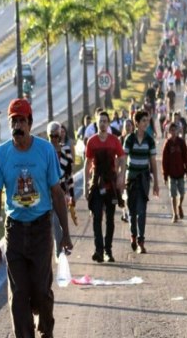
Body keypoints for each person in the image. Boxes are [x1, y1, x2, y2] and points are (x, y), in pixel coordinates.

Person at [0, 99, 73, 338]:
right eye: (13, 121)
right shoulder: (1, 154)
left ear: (30, 123)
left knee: (41, 293)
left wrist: (65, 233)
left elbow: (57, 193)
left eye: (21, 120)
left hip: (40, 230)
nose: (17, 125)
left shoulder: (45, 151)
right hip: (14, 231)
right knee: (18, 295)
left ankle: (46, 331)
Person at [84, 111, 127, 263]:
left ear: (108, 124)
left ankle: (108, 250)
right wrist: (85, 186)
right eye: (100, 121)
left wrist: (121, 176)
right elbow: (87, 163)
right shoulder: (92, 141)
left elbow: (122, 158)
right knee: (96, 218)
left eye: (105, 121)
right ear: (97, 123)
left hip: (111, 185)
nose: (102, 124)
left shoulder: (114, 140)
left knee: (110, 218)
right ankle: (99, 250)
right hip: (96, 184)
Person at [123, 110, 160, 254]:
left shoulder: (149, 140)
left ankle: (141, 241)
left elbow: (153, 163)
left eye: (147, 120)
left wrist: (156, 182)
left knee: (142, 211)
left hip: (144, 179)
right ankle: (133, 235)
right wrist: (120, 178)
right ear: (136, 123)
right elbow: (123, 159)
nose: (146, 123)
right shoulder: (129, 139)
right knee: (132, 211)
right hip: (131, 179)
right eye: (143, 120)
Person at [47, 122, 77, 260]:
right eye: (51, 135)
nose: (53, 138)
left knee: (61, 220)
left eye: (56, 135)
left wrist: (71, 195)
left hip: (62, 193)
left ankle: (63, 245)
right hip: (47, 193)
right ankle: (59, 251)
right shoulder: (44, 152)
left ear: (60, 135)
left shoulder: (66, 152)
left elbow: (69, 176)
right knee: (54, 222)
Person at [162, 122, 187, 223]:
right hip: (171, 173)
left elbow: (186, 157)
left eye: (175, 130)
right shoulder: (167, 143)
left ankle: (180, 205)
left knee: (182, 193)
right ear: (169, 131)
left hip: (180, 172)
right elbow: (164, 160)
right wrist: (165, 175)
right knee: (173, 194)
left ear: (177, 131)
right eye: (171, 130)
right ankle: (175, 214)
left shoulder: (181, 142)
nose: (173, 132)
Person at [118, 119, 134, 223]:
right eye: (126, 125)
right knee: (123, 193)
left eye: (129, 125)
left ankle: (130, 211)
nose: (127, 127)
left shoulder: (135, 139)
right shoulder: (120, 139)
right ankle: (125, 212)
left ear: (132, 127)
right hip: (122, 169)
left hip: (132, 169)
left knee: (130, 193)